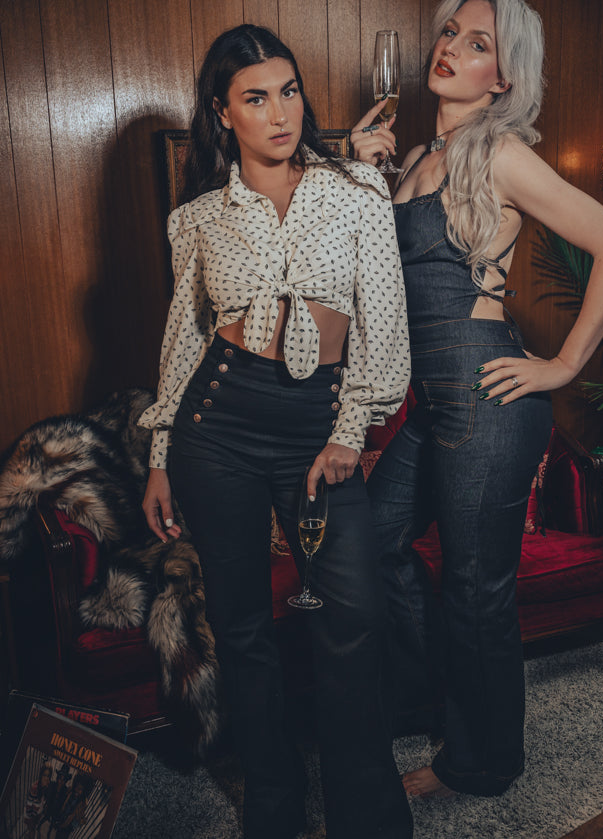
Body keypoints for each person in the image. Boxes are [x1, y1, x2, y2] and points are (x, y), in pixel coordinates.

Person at [351, 0, 603, 800]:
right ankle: (429, 700)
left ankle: (479, 763)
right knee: (372, 541)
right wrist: (360, 170)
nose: (451, 49)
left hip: (490, 395)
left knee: (477, 591)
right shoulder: (416, 154)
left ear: (503, 74)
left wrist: (562, 365)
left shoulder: (501, 153)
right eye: (450, 32)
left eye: (477, 43)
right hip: (434, 400)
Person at [138, 24, 413, 839]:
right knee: (244, 631)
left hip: (316, 427)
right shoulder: (199, 220)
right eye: (255, 98)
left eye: (288, 91)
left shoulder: (356, 193)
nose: (279, 111)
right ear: (224, 114)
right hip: (215, 430)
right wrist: (159, 453)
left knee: (352, 618)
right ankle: (274, 804)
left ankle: (367, 815)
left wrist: (349, 433)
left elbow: (383, 329)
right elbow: (182, 342)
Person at [24, 763, 51, 839]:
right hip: (31, 815)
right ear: (41, 775)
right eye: (44, 775)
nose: (46, 778)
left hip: (38, 814)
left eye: (48, 776)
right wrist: (30, 818)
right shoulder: (35, 787)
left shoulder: (46, 786)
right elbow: (29, 804)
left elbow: (43, 801)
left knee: (33, 829)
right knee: (32, 831)